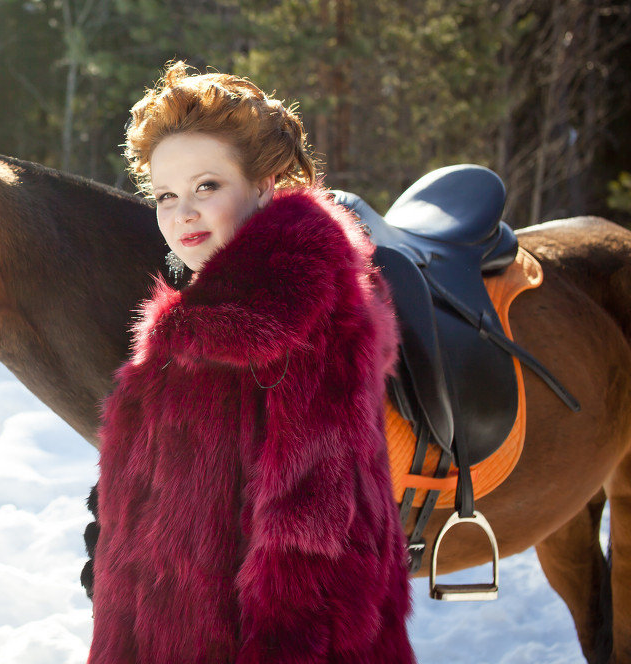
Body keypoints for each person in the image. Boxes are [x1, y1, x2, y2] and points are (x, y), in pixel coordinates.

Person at [85, 62, 415, 663]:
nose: (182, 212)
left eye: (206, 186)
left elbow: (312, 539)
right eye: (165, 195)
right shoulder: (194, 324)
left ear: (263, 185)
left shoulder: (297, 319)